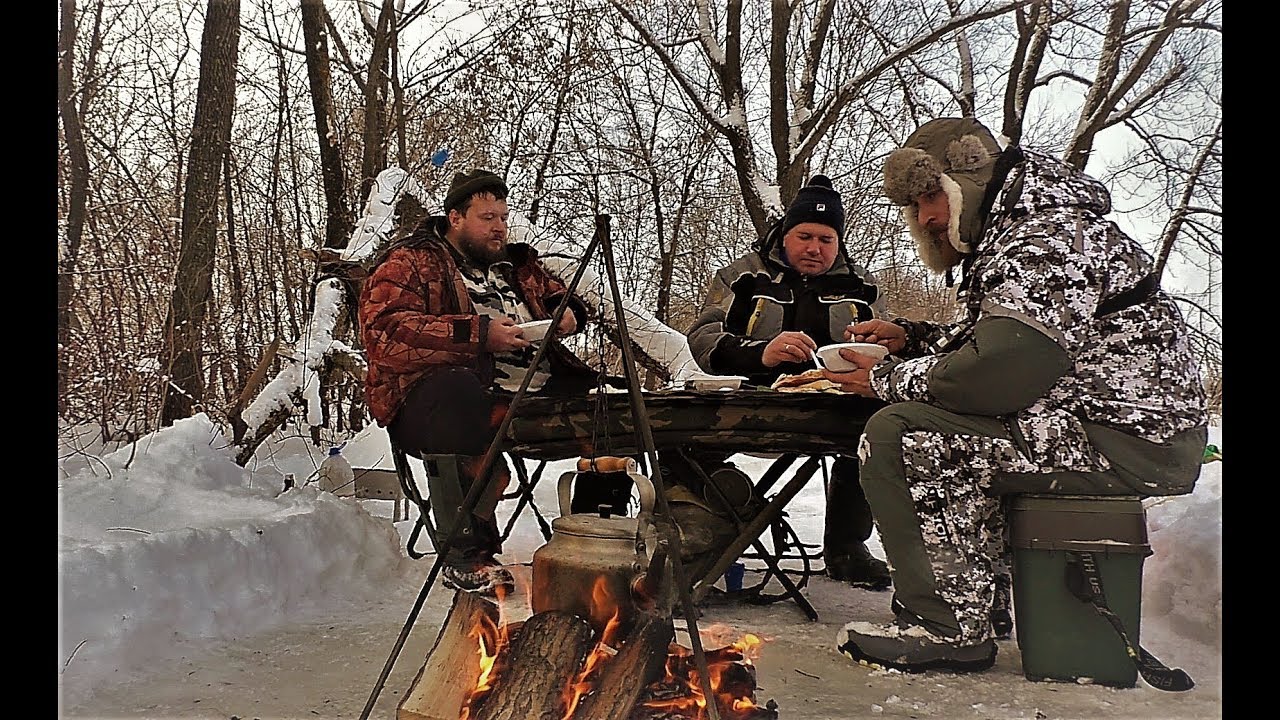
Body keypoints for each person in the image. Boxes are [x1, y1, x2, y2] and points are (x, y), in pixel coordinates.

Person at [824, 117, 1208, 672]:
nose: (925, 218)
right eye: (916, 207)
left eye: (931, 198)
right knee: (934, 425)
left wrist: (883, 379)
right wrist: (913, 339)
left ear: (967, 182)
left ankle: (948, 628)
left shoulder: (1043, 237)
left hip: (1122, 440)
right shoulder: (1029, 229)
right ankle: (978, 606)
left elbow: (1000, 373)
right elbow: (1002, 341)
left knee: (902, 433)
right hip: (1112, 430)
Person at [358, 168, 599, 593]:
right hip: (438, 399)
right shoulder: (410, 262)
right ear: (455, 218)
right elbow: (384, 333)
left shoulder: (518, 265)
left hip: (534, 393)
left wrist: (569, 310)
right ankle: (465, 552)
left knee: (616, 407)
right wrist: (479, 335)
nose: (500, 228)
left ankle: (598, 545)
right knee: (458, 395)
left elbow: (558, 293)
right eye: (488, 218)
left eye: (503, 218)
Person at [682, 174, 893, 590]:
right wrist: (760, 353)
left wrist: (867, 357)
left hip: (835, 403)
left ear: (839, 243)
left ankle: (847, 546)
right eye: (805, 236)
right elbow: (702, 337)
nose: (815, 248)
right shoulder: (740, 277)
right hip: (749, 399)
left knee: (878, 428)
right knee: (681, 438)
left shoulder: (862, 288)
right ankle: (698, 539)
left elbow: (885, 343)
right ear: (784, 235)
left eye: (826, 240)